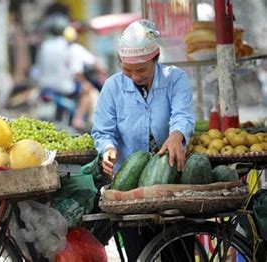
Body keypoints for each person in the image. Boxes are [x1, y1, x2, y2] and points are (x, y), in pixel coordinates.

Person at [91, 20, 195, 261]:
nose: (135, 76)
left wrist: (176, 135)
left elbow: (182, 114)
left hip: (172, 183)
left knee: (177, 253)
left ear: (155, 58)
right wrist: (107, 149)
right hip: (131, 188)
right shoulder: (112, 87)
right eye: (128, 70)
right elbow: (103, 130)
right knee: (139, 254)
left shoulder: (175, 79)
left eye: (141, 70)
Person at [63, 25, 107, 130]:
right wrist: (102, 72)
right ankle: (78, 119)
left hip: (67, 82)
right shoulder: (76, 49)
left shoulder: (66, 49)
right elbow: (90, 63)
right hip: (75, 82)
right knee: (89, 93)